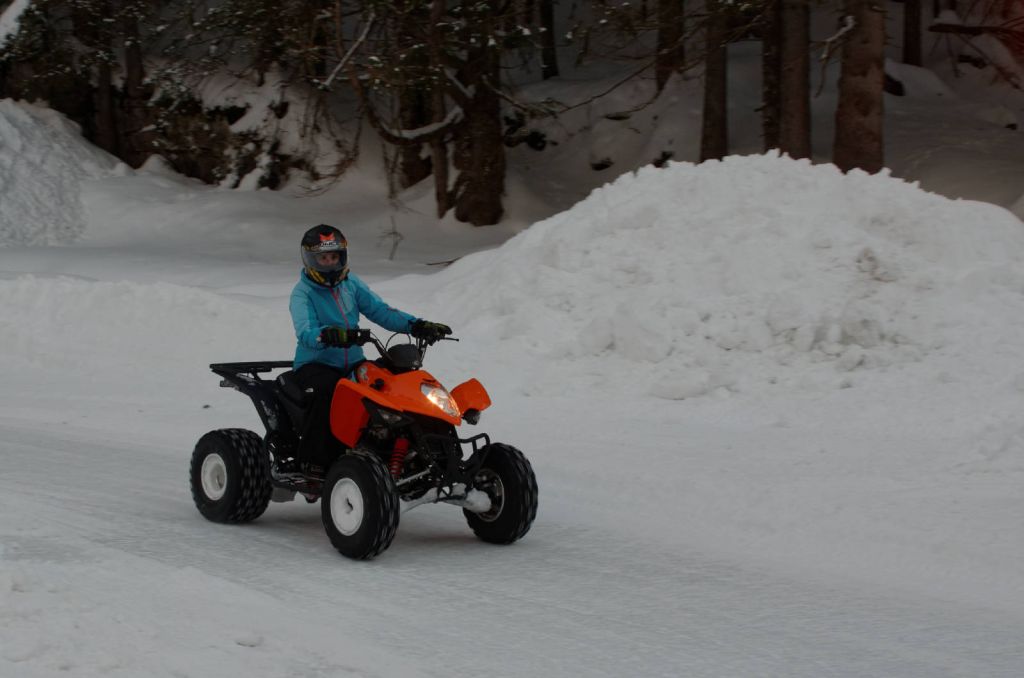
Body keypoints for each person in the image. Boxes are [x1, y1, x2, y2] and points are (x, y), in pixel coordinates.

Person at [285, 224, 451, 474]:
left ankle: (403, 450)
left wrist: (416, 325)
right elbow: (305, 331)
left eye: (334, 257)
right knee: (327, 395)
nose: (330, 264)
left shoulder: (350, 283)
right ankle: (314, 464)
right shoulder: (303, 293)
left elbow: (379, 310)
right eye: (323, 258)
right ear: (310, 260)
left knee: (392, 384)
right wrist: (327, 334)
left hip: (354, 362)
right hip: (315, 365)